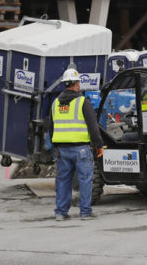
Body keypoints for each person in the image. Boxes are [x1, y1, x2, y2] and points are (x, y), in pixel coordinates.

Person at [49, 68, 104, 221]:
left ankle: (60, 212)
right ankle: (85, 212)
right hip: (81, 149)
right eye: (78, 82)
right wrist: (98, 145)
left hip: (61, 149)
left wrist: (54, 147)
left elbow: (51, 128)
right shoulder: (82, 102)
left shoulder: (55, 103)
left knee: (63, 180)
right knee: (85, 180)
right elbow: (93, 126)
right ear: (76, 84)